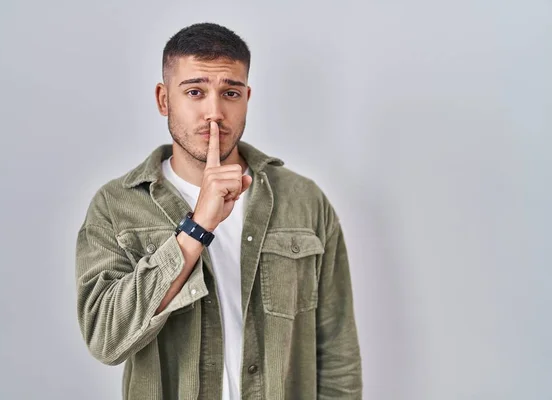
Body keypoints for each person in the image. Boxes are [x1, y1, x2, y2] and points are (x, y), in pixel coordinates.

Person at [75, 22, 362, 400]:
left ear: (247, 97)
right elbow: (105, 337)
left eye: (230, 92)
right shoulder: (117, 205)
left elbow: (338, 352)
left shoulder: (303, 200)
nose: (215, 113)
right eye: (195, 91)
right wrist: (197, 227)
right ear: (164, 99)